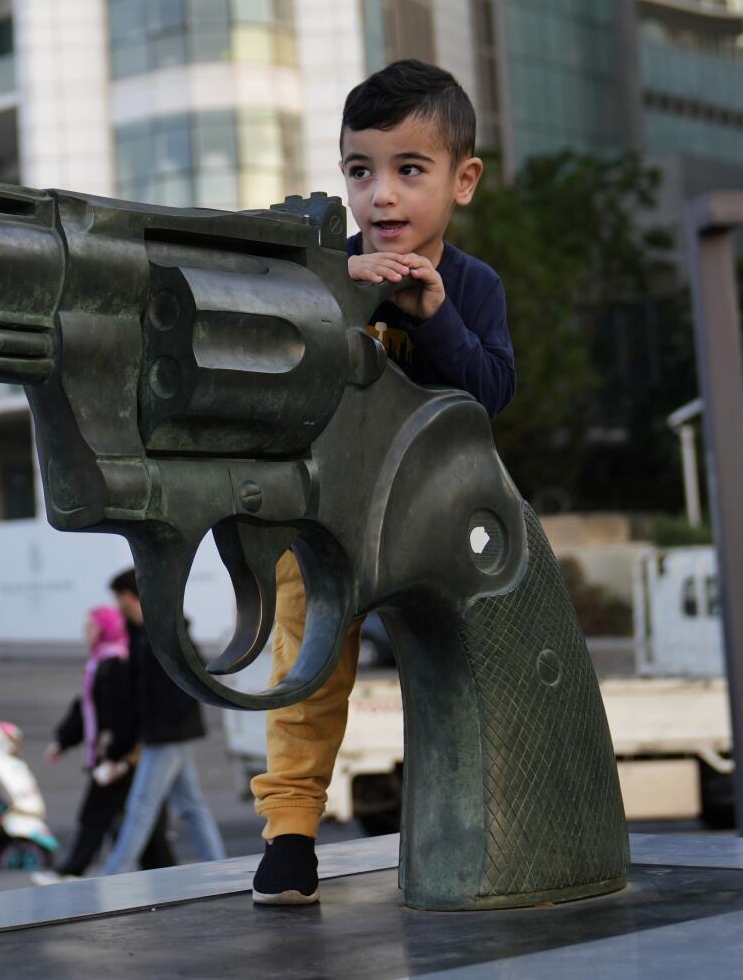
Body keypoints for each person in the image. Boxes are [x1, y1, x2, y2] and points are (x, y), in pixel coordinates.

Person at [249, 59, 516, 906]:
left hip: (434, 524)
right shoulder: (320, 271)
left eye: (410, 169)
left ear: (462, 180)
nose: (383, 197)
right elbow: (274, 373)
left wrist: (437, 319)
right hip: (327, 518)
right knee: (308, 666)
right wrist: (338, 298)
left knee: (474, 666)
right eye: (361, 171)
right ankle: (290, 834)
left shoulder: (474, 286)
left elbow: (491, 395)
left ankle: (489, 825)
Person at [98, 568, 225, 875]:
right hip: (166, 733)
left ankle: (113, 876)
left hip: (167, 734)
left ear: (134, 597)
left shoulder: (165, 632)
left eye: (121, 599)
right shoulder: (144, 633)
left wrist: (161, 725)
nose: (119, 607)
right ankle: (221, 866)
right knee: (191, 807)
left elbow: (190, 681)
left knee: (141, 806)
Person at [40, 605, 175, 880]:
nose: (85, 632)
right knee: (140, 819)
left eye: (91, 627)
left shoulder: (116, 663)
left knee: (101, 815)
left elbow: (121, 714)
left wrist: (116, 757)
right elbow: (86, 708)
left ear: (104, 629)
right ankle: (167, 875)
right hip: (121, 754)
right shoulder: (101, 662)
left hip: (123, 754)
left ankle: (71, 872)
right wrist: (63, 741)